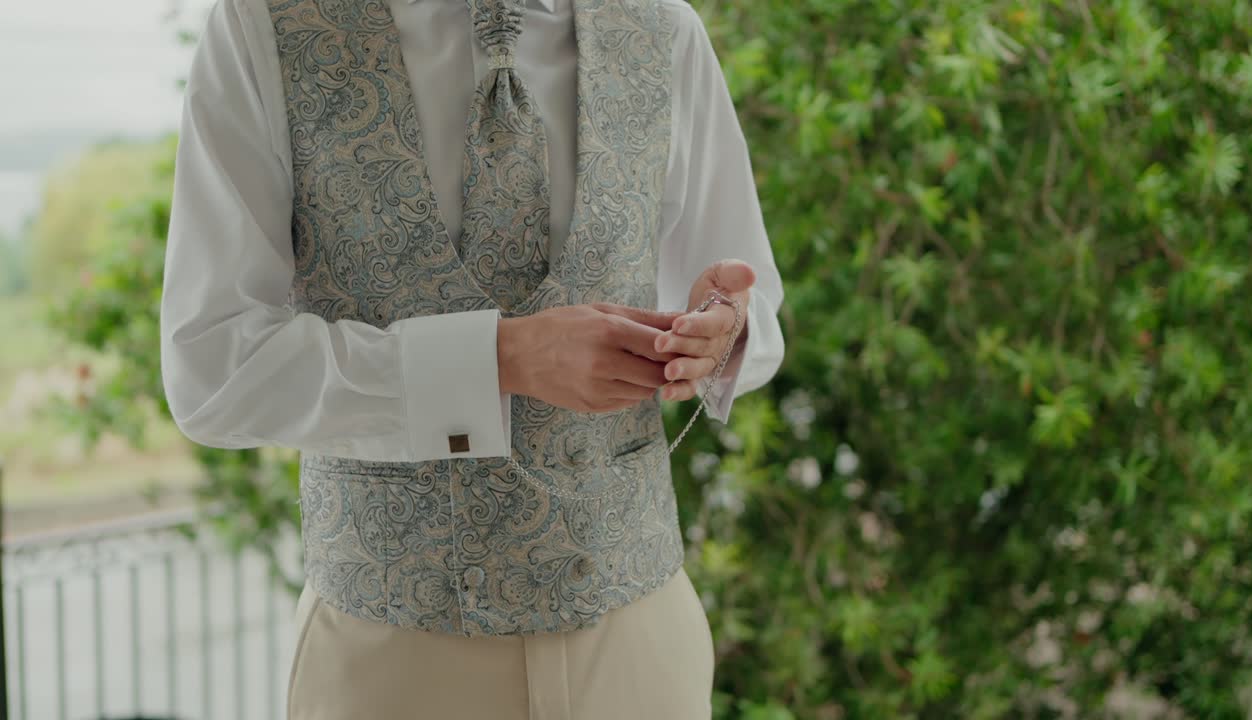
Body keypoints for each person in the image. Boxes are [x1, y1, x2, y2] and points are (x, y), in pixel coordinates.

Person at [159, 0, 785, 716]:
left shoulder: (662, 25)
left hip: (638, 643)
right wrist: (498, 358)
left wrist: (721, 335)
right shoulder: (262, 23)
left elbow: (750, 307)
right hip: (389, 660)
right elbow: (210, 367)